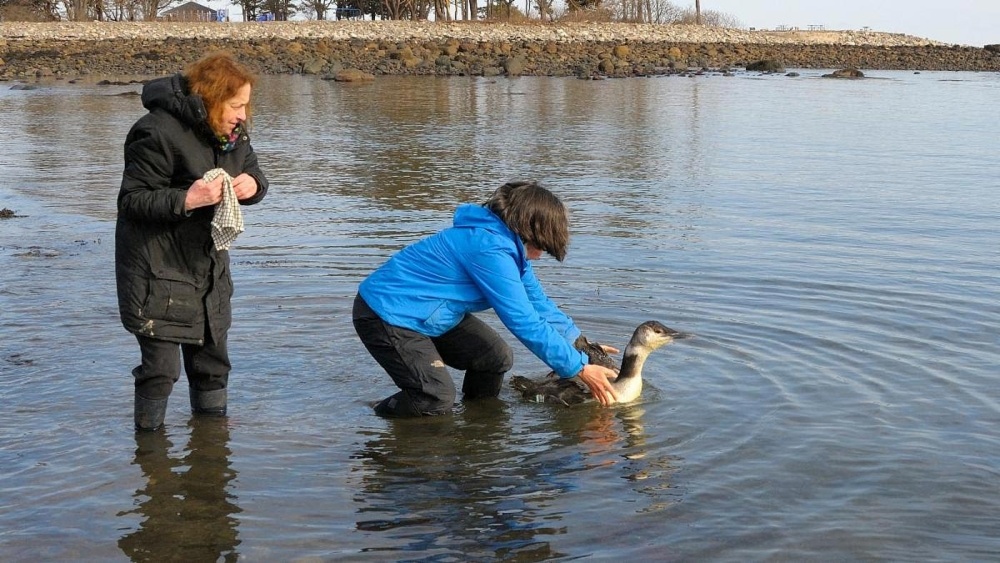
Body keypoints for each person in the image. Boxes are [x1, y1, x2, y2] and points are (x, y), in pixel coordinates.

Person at [352, 180, 620, 417]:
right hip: (385, 315)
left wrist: (582, 346)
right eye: (541, 246)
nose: (540, 255)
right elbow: (523, 320)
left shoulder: (509, 249)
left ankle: (476, 422)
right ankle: (374, 414)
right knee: (436, 397)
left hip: (427, 314)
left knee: (495, 357)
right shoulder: (489, 250)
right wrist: (579, 368)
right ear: (528, 230)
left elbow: (540, 304)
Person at [115, 52, 268, 431]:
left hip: (209, 267)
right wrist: (187, 199)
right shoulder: (155, 131)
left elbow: (253, 173)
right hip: (156, 270)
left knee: (212, 366)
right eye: (236, 105)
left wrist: (254, 186)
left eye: (246, 105)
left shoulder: (232, 133)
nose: (243, 115)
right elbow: (131, 201)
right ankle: (150, 457)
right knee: (160, 372)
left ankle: (211, 456)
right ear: (211, 99)